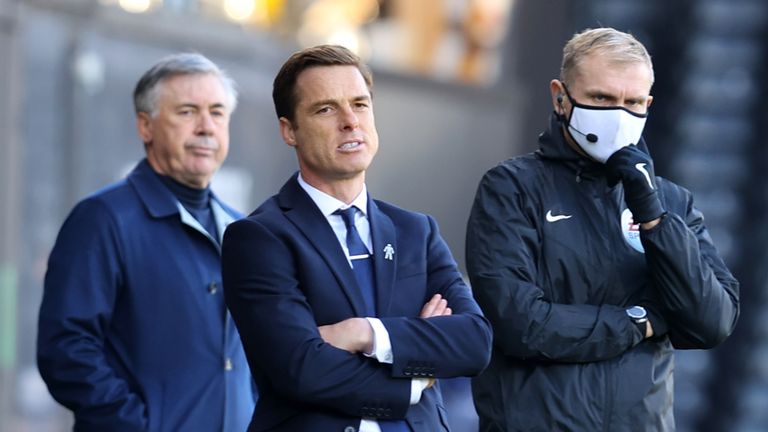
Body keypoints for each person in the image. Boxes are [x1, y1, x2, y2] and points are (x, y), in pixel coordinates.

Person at [466, 27, 740, 431]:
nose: (618, 115)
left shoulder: (671, 203)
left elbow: (712, 322)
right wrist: (638, 322)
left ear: (648, 105)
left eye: (632, 103)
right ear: (561, 96)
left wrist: (653, 217)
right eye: (602, 98)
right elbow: (520, 324)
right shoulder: (511, 188)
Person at [221, 44, 492, 432]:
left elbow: (474, 343)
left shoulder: (416, 232)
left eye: (360, 104)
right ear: (289, 130)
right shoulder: (260, 238)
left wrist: (363, 333)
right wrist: (418, 374)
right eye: (326, 109)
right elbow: (301, 369)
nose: (350, 121)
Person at [37, 53, 256, 431]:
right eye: (187, 112)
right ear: (145, 126)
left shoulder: (242, 230)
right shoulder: (103, 220)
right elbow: (66, 350)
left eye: (217, 113)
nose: (206, 127)